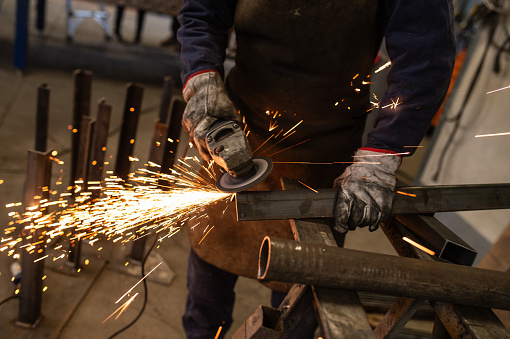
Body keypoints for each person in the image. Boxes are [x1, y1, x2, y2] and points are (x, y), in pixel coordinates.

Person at [177, 1, 456, 338]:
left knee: (300, 299)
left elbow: (425, 58)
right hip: (238, 126)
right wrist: (202, 79)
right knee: (207, 288)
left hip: (323, 150)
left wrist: (381, 155)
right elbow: (202, 12)